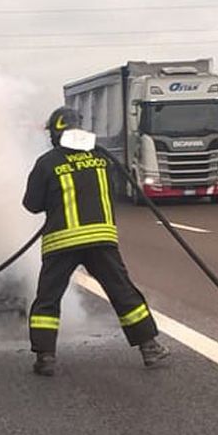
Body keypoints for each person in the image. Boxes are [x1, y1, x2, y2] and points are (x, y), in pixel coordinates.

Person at [22, 107, 171, 377]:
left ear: (56, 133)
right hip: (101, 239)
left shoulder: (47, 162)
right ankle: (149, 347)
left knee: (48, 299)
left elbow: (31, 205)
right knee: (122, 292)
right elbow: (112, 190)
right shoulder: (102, 158)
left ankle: (45, 357)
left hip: (61, 241)